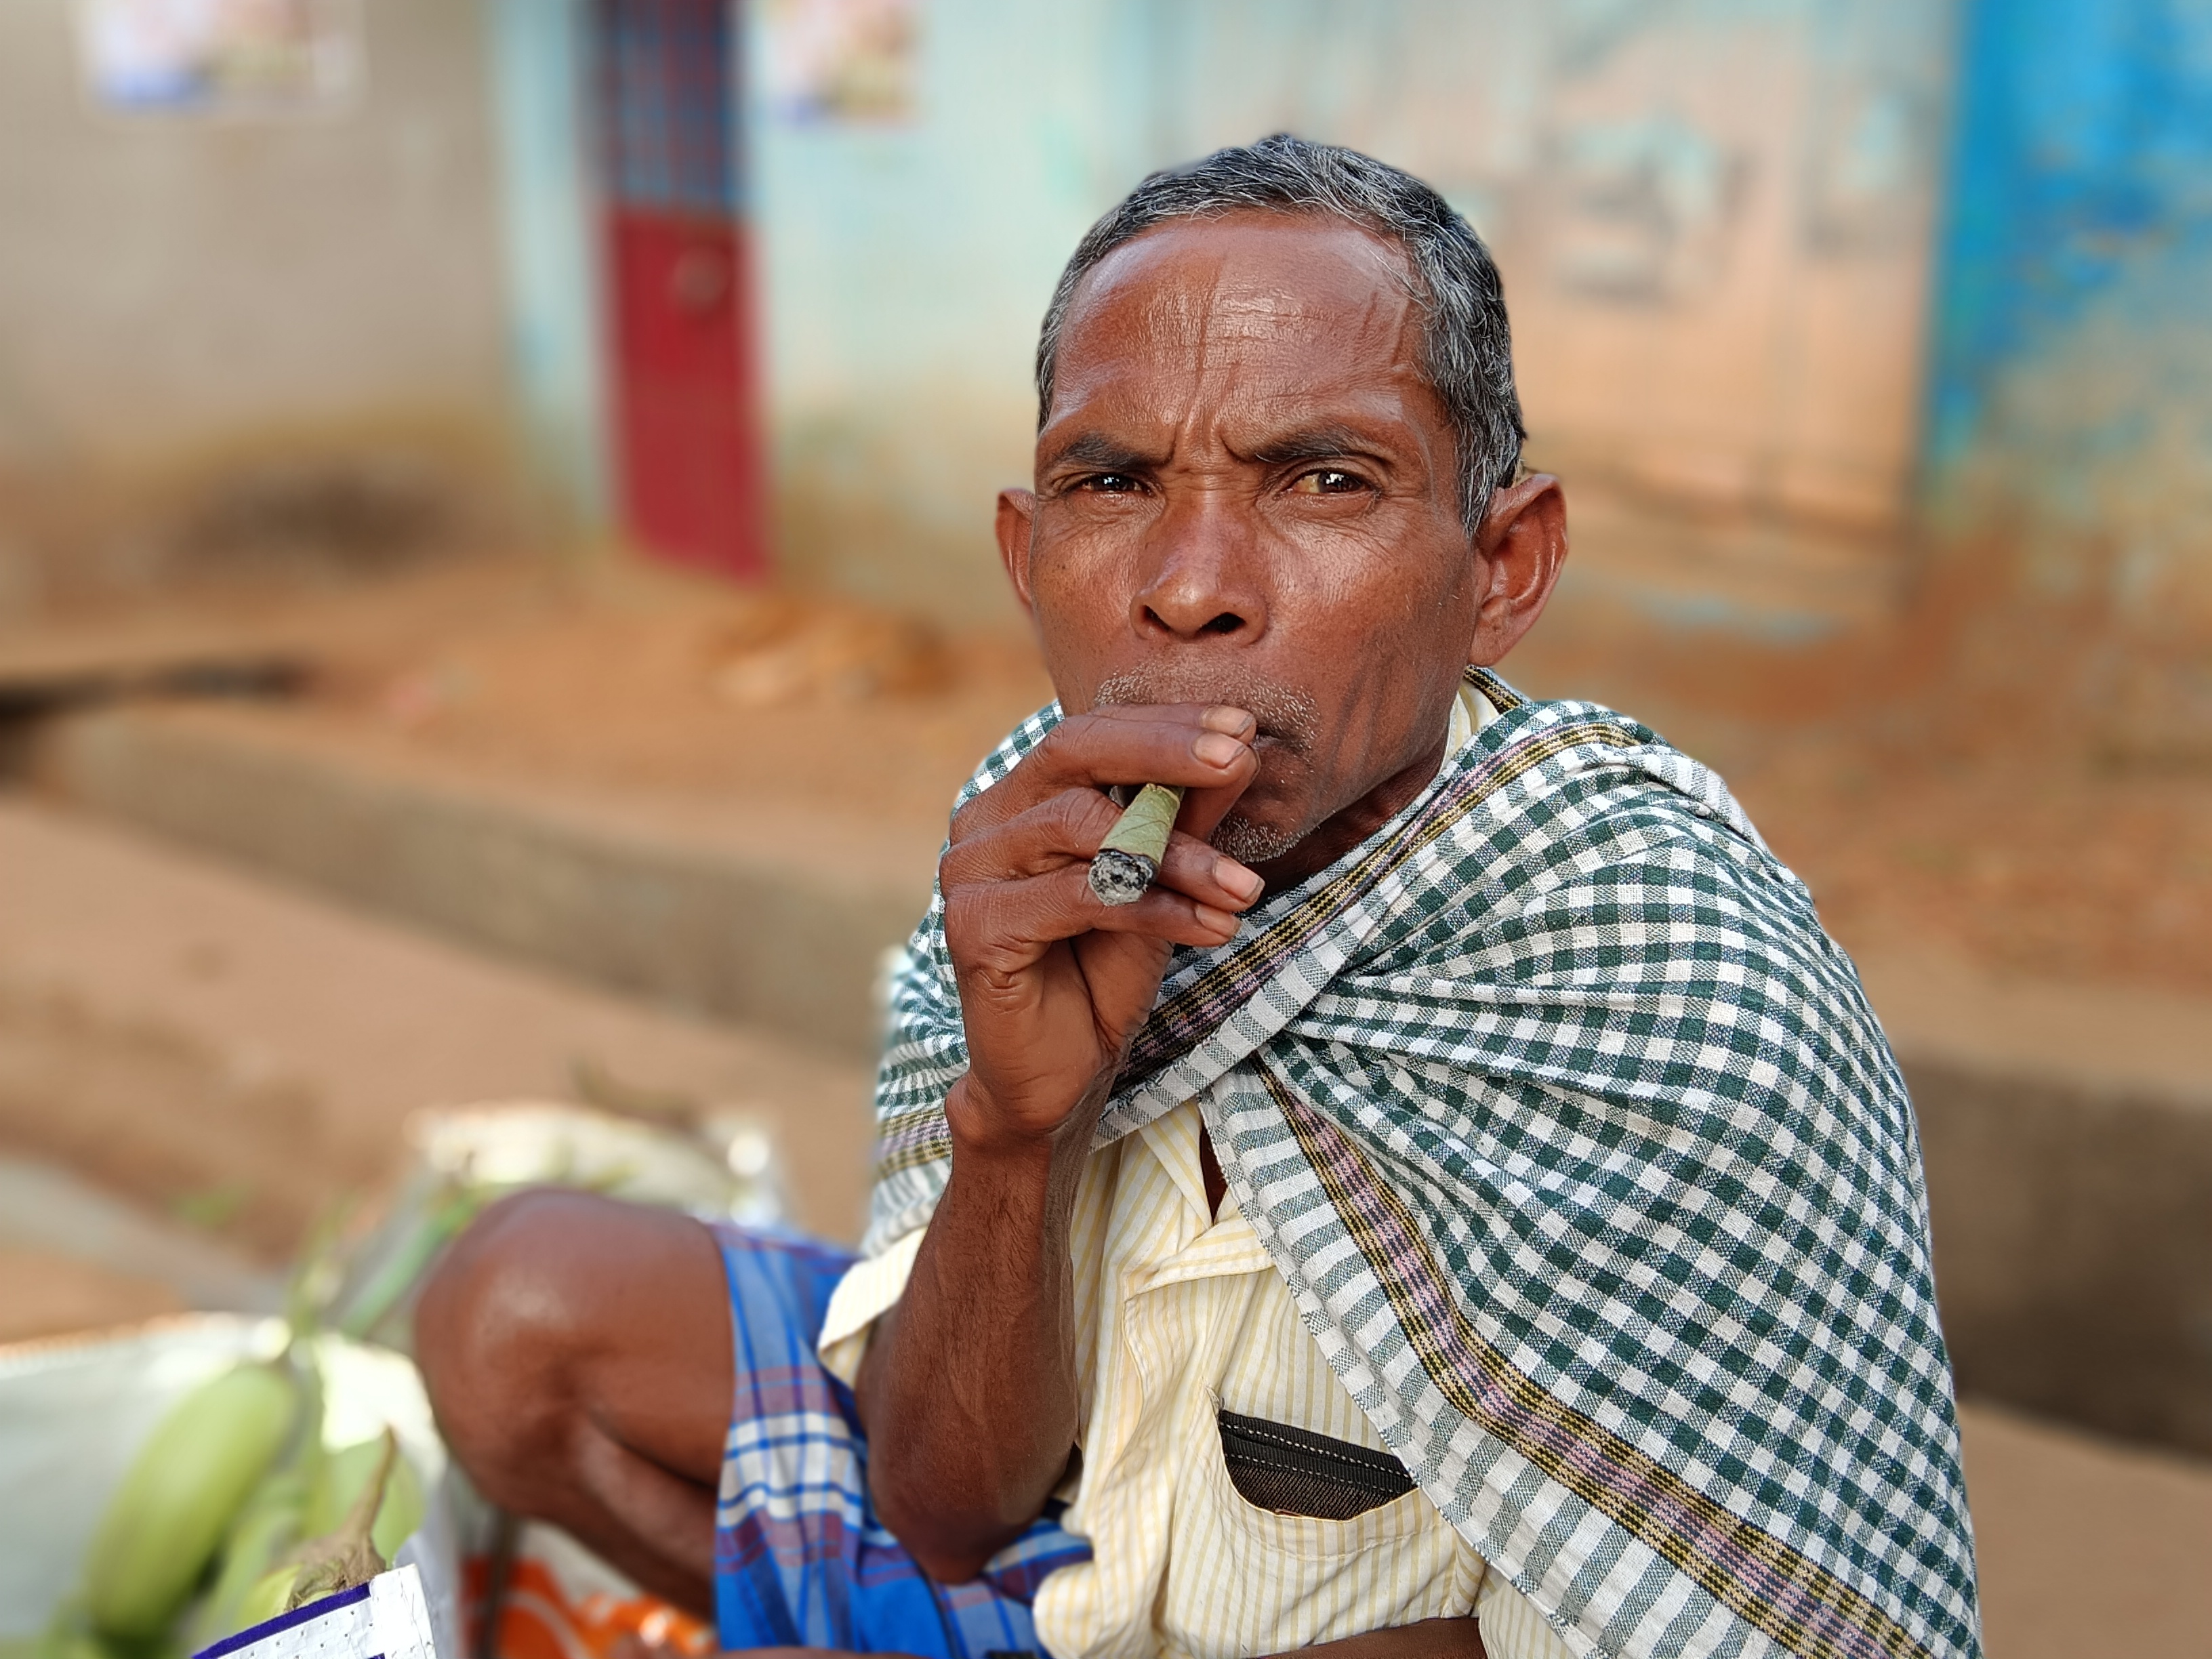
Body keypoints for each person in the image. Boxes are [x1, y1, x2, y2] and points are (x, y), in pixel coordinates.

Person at [417, 136, 1981, 1659]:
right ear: (1030, 560)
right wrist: (1021, 1132)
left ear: (1502, 567)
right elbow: (948, 1506)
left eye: (1323, 479)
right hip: (1065, 1566)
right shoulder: (1032, 843)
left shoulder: (1664, 967)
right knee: (514, 1315)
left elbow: (1711, 1608)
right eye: (1113, 482)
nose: (1191, 586)